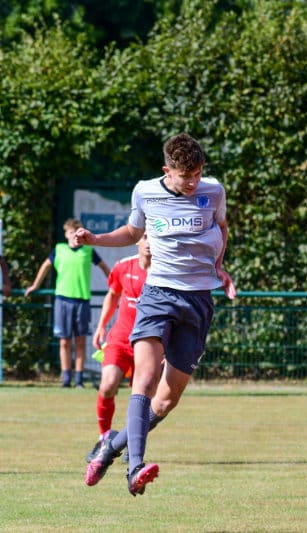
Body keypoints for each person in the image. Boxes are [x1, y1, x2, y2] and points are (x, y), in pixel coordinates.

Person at [75, 133, 237, 496]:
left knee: (165, 401)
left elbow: (222, 228)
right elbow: (132, 231)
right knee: (144, 380)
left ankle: (108, 450)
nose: (193, 182)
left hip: (198, 302)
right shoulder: (145, 192)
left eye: (197, 173)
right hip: (158, 295)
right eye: (185, 176)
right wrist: (95, 239)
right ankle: (135, 468)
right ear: (167, 171)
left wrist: (219, 266)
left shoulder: (214, 192)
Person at [84, 234, 151, 463]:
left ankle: (133, 442)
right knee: (107, 385)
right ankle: (104, 438)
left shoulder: (164, 271)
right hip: (120, 339)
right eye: (144, 237)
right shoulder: (123, 266)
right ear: (137, 241)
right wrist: (101, 326)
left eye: (153, 237)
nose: (149, 242)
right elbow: (112, 295)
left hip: (148, 343)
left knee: (141, 398)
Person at [25, 218, 111, 388]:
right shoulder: (59, 249)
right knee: (64, 341)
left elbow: (104, 267)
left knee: (80, 341)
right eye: (71, 232)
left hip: (82, 301)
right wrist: (35, 285)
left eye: (77, 232)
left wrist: (115, 285)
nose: (74, 236)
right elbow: (45, 266)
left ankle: (78, 380)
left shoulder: (88, 250)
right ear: (66, 234)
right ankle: (66, 379)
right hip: (62, 300)